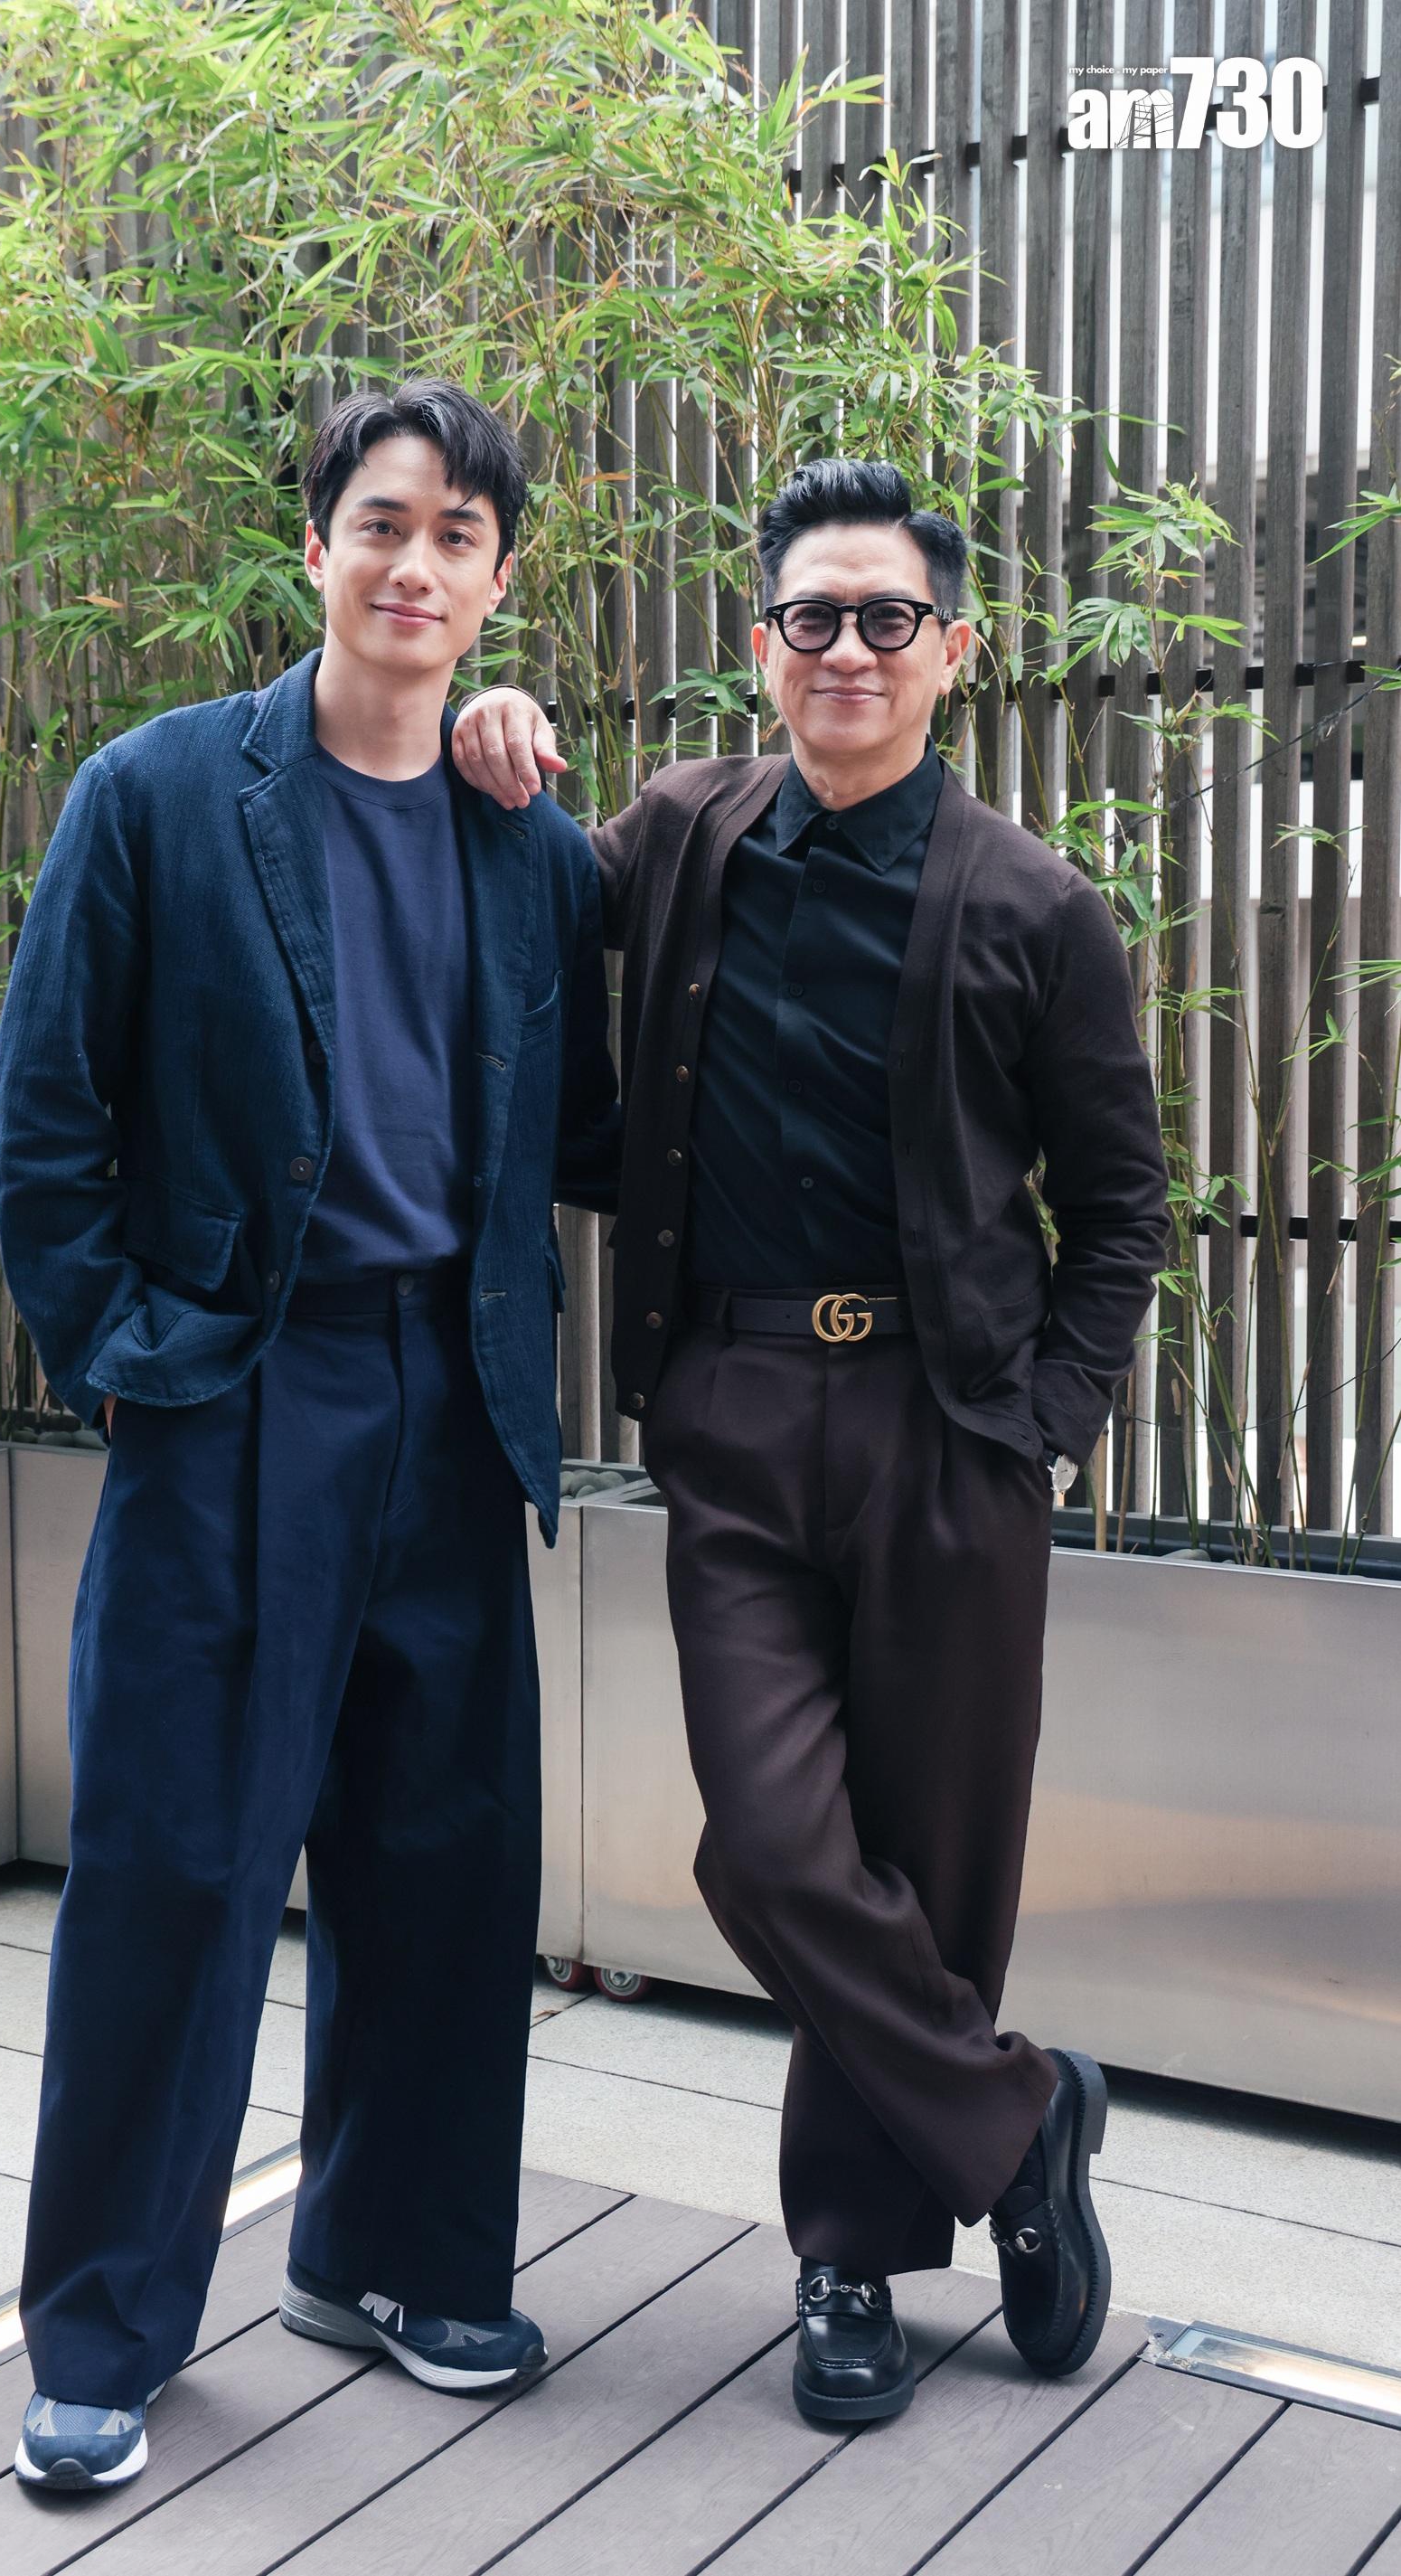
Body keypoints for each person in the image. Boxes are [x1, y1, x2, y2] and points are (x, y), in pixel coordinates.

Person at [449, 458, 1170, 2428]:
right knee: (769, 1842)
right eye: (810, 617)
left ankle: (848, 2258)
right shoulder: (684, 832)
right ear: (761, 645)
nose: (846, 649)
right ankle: (1017, 2120)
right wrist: (494, 728)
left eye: (885, 617)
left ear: (954, 647)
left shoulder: (1034, 905)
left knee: (926, 1860)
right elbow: (524, 873)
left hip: (948, 1427)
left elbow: (1119, 1211)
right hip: (741, 1407)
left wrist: (1037, 1432)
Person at [0, 380, 621, 2490]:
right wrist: (122, 1358)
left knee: (443, 1854)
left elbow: (591, 1111)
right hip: (237, 1390)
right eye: (381, 523)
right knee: (175, 1859)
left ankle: (396, 2261)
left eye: (456, 535)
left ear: (497, 580)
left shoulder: (528, 843)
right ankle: (102, 2328)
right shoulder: (162, 792)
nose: (413, 564)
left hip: (453, 1393)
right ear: (316, 549)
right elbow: (47, 1114)